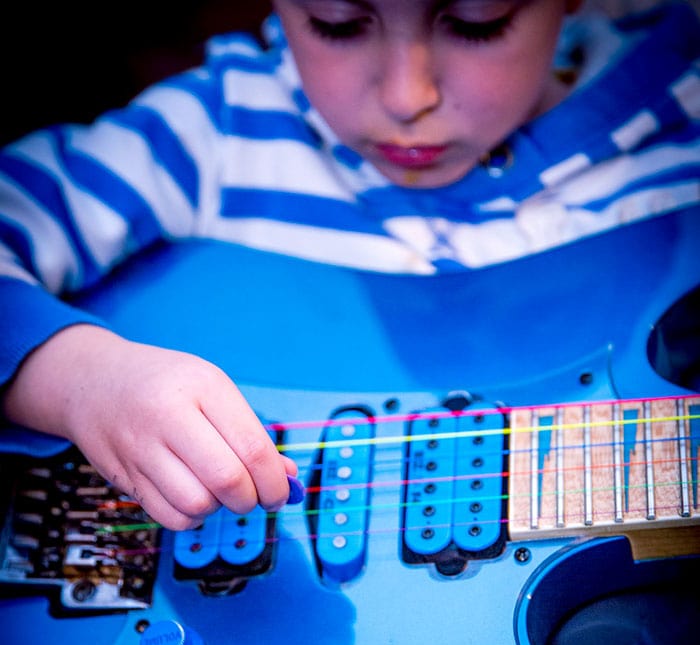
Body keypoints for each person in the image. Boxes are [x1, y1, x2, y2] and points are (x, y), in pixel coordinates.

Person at [1, 0, 698, 531]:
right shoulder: (210, 136)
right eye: (337, 23)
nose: (406, 96)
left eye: (477, 23)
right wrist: (79, 377)